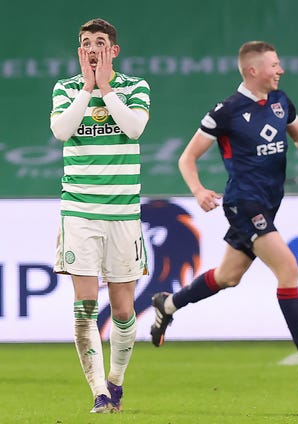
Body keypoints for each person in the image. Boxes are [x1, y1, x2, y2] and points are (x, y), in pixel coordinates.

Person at [149, 41, 298, 377]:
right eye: (274, 65)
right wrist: (197, 190)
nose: (280, 70)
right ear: (253, 71)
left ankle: (167, 304)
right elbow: (187, 157)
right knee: (289, 270)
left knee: (227, 277)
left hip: (268, 203)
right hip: (243, 203)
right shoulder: (227, 111)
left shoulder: (281, 102)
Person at [50, 18, 151, 412]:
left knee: (124, 310)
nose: (93, 47)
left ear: (114, 50)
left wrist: (105, 88)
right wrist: (88, 88)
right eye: (86, 42)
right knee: (86, 306)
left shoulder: (134, 87)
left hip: (123, 213)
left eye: (101, 42)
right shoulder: (66, 89)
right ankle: (99, 393)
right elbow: (61, 131)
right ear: (80, 51)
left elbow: (135, 128)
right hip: (79, 213)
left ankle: (117, 380)